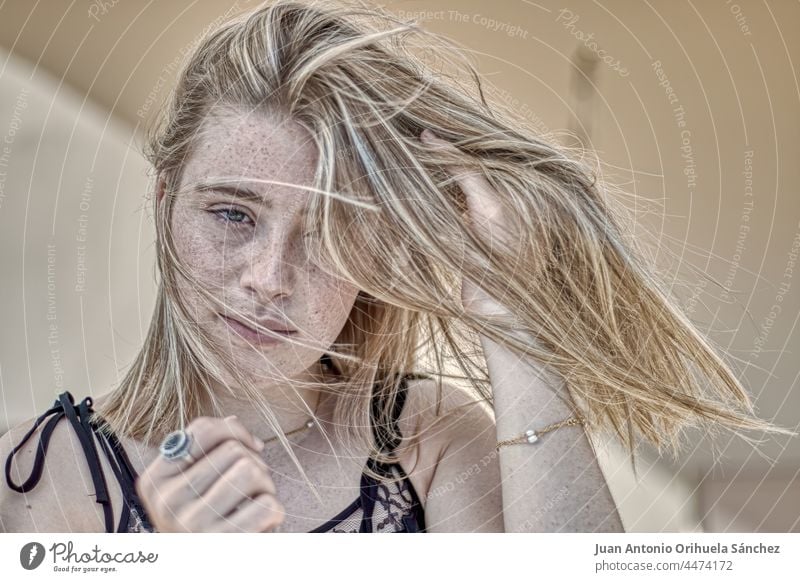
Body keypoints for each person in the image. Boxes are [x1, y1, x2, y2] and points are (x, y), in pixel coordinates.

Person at [1, 0, 792, 534]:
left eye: (333, 231)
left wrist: (512, 315)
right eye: (233, 215)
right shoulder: (28, 478)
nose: (271, 276)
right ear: (166, 200)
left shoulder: (432, 446)